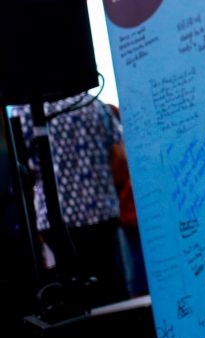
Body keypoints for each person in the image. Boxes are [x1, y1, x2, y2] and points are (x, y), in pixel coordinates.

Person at [11, 93, 130, 311]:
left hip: (55, 220)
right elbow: (120, 156)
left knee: (70, 298)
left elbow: (20, 168)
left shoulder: (27, 111)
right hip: (103, 214)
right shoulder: (95, 105)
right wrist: (99, 186)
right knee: (110, 292)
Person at [107, 103, 149, 298]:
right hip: (131, 205)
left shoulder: (121, 146)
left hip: (125, 206)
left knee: (135, 253)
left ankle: (138, 292)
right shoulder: (129, 141)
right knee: (138, 252)